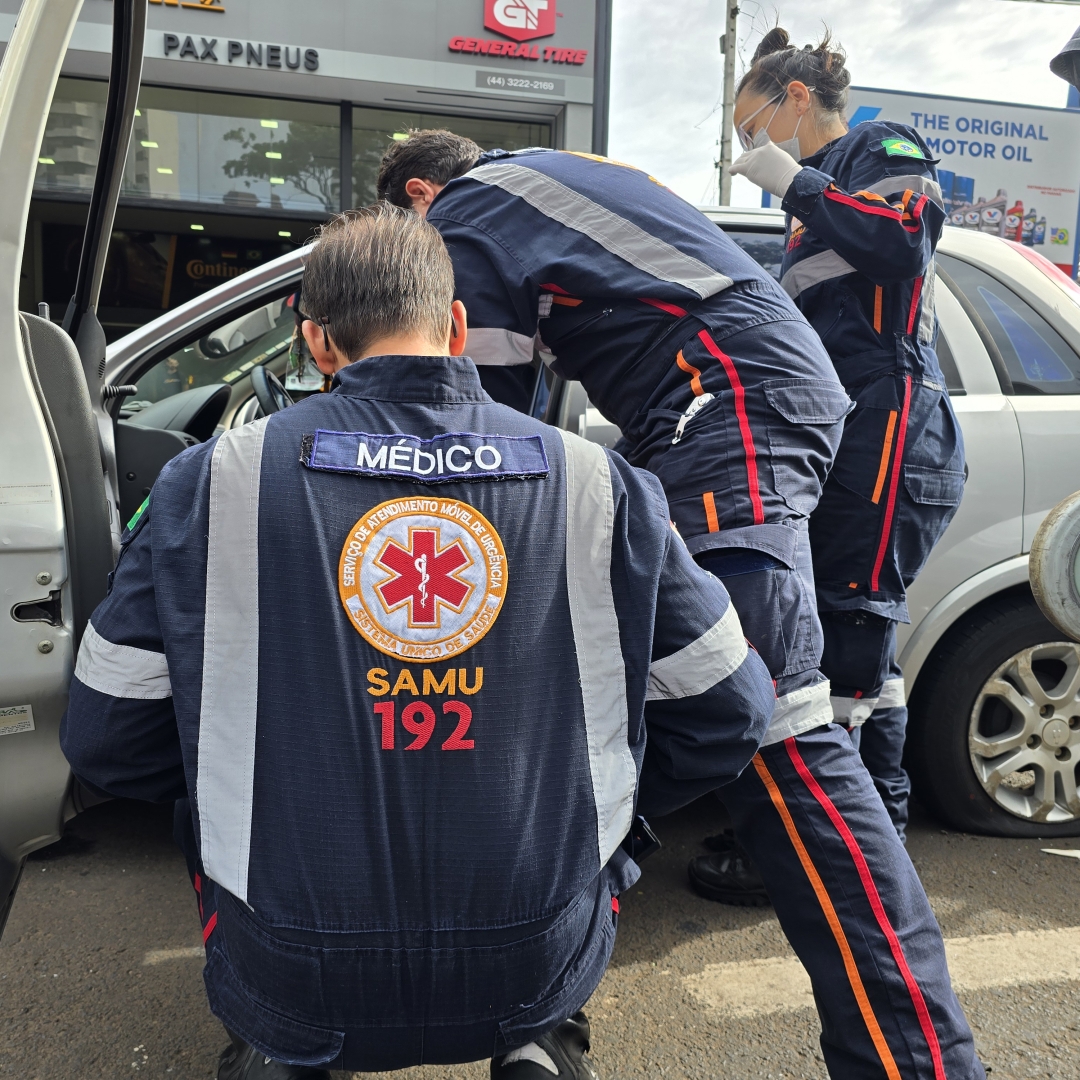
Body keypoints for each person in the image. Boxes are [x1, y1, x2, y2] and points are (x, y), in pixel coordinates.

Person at [59, 204, 775, 1080]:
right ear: (460, 327)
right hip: (534, 945)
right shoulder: (599, 483)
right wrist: (595, 814)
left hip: (293, 955)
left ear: (316, 343)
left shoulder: (210, 481)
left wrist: (253, 801)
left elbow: (106, 736)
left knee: (257, 931)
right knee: (554, 935)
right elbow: (731, 710)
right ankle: (540, 1044)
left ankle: (281, 1053)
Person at [378, 132, 985, 1079]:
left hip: (727, 405)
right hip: (731, 402)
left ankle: (921, 1065)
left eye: (405, 237)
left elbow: (473, 435)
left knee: (773, 731)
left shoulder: (464, 216)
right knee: (633, 714)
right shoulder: (546, 181)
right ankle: (546, 1013)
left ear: (421, 195)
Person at [727, 28, 965, 843]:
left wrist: (794, 182)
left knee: (847, 635)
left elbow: (902, 244)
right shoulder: (814, 199)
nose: (747, 145)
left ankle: (839, 845)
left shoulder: (880, 146)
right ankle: (876, 828)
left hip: (890, 424)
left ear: (794, 97)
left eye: (749, 124)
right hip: (852, 423)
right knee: (858, 642)